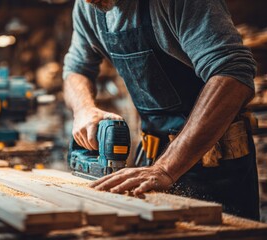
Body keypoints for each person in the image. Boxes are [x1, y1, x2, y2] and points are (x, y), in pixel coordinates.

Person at [63, 0, 260, 220]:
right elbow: (76, 68)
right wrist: (83, 108)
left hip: (215, 167)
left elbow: (232, 74)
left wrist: (166, 168)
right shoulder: (88, 5)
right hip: (150, 162)